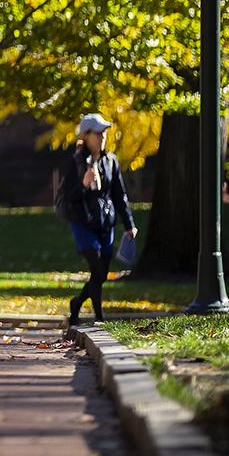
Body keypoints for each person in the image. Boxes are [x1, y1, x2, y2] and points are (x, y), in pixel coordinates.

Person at [59, 113, 134, 327]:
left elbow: (119, 194)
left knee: (101, 274)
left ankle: (77, 303)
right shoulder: (75, 162)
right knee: (97, 266)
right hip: (82, 222)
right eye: (98, 132)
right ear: (85, 135)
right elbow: (68, 196)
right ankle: (100, 318)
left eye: (105, 132)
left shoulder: (111, 161)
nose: (103, 136)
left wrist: (129, 224)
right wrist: (83, 183)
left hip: (105, 223)